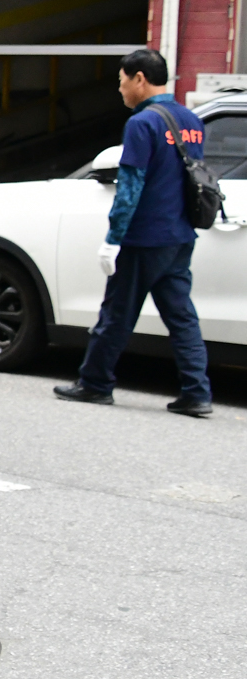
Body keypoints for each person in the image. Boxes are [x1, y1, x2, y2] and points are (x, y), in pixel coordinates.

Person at [54, 48, 211, 416]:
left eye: (122, 81)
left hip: (145, 237)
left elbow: (130, 187)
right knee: (182, 317)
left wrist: (112, 239)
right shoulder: (191, 120)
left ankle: (95, 383)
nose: (121, 89)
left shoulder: (142, 125)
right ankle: (197, 393)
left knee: (116, 313)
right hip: (180, 236)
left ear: (140, 79)